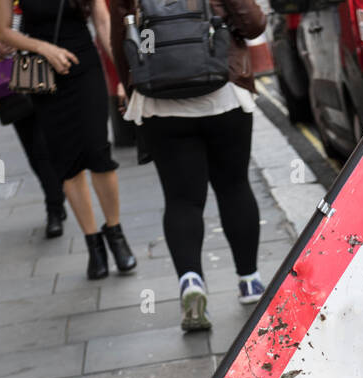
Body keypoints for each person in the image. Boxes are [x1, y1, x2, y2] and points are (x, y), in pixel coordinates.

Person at [110, 0, 266, 332]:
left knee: (182, 200)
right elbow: (253, 23)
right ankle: (250, 281)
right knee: (234, 186)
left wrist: (135, 79)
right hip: (223, 90)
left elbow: (119, 37)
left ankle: (191, 281)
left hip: (159, 100)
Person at [0, 0, 136, 279]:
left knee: (99, 154)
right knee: (67, 162)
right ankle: (93, 243)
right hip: (45, 77)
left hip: (85, 68)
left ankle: (116, 234)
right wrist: (43, 47)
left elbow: (103, 23)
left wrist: (125, 75)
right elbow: (3, 31)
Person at [0, 0, 66, 238]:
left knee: (56, 142)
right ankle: (54, 204)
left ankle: (58, 195)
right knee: (36, 148)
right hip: (14, 76)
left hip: (56, 66)